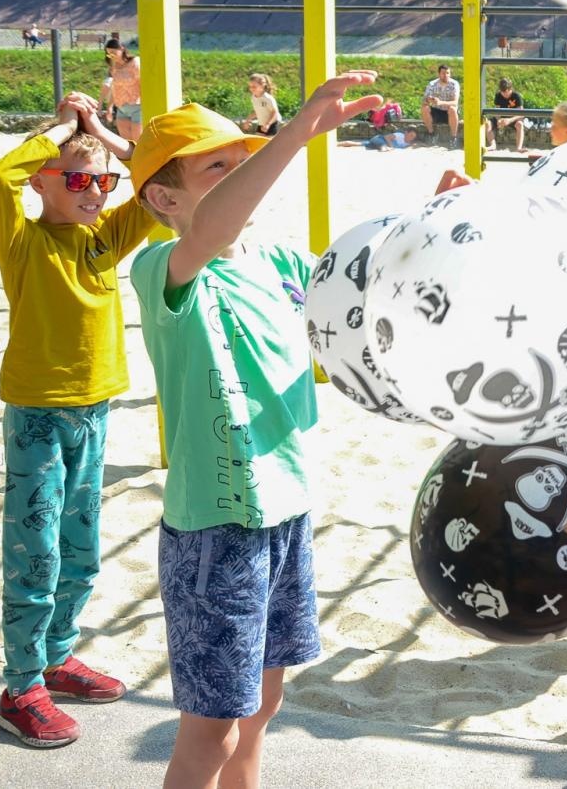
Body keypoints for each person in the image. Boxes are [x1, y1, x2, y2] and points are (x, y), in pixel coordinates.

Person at [128, 74, 383, 789]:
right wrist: (293, 133)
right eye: (218, 165)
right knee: (210, 730)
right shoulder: (163, 269)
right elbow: (210, 232)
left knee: (265, 702)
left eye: (241, 160)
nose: (242, 172)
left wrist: (430, 220)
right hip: (219, 528)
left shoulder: (278, 262)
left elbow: (363, 300)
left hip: (289, 508)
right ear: (163, 197)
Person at [0, 90, 152, 747]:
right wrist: (62, 129)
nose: (96, 190)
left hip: (95, 409)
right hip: (37, 415)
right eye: (79, 179)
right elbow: (1, 175)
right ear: (45, 182)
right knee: (37, 547)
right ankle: (21, 683)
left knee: (82, 548)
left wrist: (101, 135)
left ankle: (56, 655)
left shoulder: (106, 237)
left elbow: (158, 183)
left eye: (102, 180)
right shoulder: (24, 242)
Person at [99, 36, 143, 143]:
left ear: (122, 49)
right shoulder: (114, 67)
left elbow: (142, 84)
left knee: (138, 142)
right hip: (121, 108)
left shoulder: (135, 62)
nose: (111, 55)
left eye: (114, 52)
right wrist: (109, 107)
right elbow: (115, 88)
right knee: (126, 143)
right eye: (109, 53)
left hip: (137, 107)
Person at [485, 76, 527, 151]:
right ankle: (492, 145)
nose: (504, 94)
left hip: (513, 118)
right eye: (502, 92)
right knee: (488, 123)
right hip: (502, 118)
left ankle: (519, 148)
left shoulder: (516, 96)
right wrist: (499, 120)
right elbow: (497, 110)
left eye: (506, 92)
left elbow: (521, 113)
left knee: (520, 124)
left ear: (510, 89)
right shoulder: (498, 95)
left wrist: (509, 120)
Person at [421, 63, 460, 143]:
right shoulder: (432, 84)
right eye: (443, 73)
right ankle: (431, 134)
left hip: (449, 111)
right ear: (439, 74)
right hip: (436, 110)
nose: (446, 75)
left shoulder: (454, 84)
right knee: (425, 108)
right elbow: (424, 100)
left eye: (447, 73)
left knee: (452, 109)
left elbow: (455, 102)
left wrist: (440, 102)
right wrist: (429, 100)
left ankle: (453, 138)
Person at [241, 73, 281, 137]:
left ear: (262, 86)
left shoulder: (268, 98)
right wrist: (248, 120)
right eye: (250, 87)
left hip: (272, 123)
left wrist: (268, 124)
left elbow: (275, 113)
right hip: (262, 124)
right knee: (258, 141)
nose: (251, 89)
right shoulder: (253, 98)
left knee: (270, 144)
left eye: (254, 86)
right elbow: (256, 111)